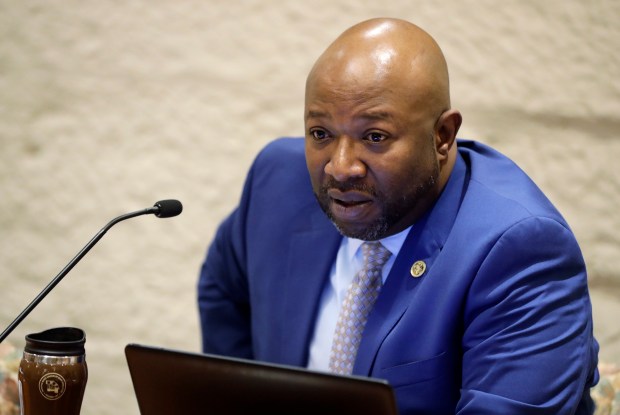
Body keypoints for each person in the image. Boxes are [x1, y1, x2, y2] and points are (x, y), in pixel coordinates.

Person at [198, 17, 599, 414]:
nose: (340, 167)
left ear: (442, 136)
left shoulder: (520, 250)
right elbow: (223, 286)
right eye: (321, 133)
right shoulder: (279, 183)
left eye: (375, 137)